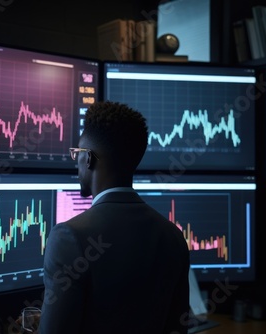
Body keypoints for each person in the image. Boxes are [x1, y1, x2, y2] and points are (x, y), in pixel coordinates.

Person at [39, 101, 190, 334]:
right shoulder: (174, 237)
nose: (75, 161)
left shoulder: (68, 237)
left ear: (88, 159)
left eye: (76, 153)